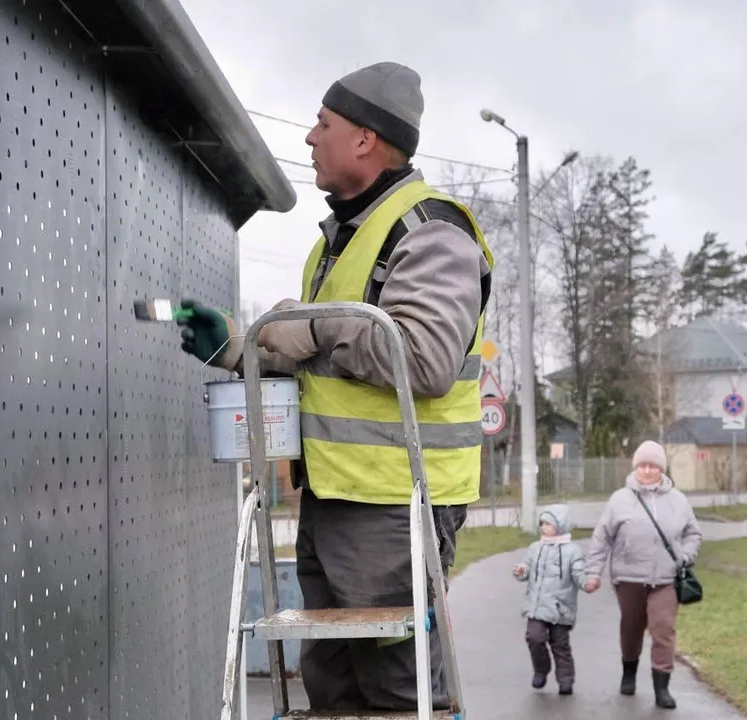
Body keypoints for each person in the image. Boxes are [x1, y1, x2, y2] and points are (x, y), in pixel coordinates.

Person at [177, 61, 494, 712]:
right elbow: (330, 364)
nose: (308, 139)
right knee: (334, 687)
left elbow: (427, 361)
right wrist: (236, 350)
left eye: (323, 124)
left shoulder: (429, 229)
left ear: (366, 139)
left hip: (395, 503)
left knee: (399, 690)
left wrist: (316, 324)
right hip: (335, 495)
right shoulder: (335, 245)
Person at [583, 440, 702, 710]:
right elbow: (601, 538)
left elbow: (693, 533)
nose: (647, 471)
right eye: (642, 465)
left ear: (662, 469)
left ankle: (662, 688)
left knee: (663, 629)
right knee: (631, 627)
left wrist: (685, 556)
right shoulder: (620, 500)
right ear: (635, 466)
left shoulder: (678, 500)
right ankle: (629, 672)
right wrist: (593, 572)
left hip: (666, 578)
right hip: (629, 577)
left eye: (653, 466)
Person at [512, 504, 590, 696]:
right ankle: (541, 669)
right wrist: (520, 571)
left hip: (561, 608)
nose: (543, 527)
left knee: (560, 644)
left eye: (548, 524)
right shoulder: (535, 548)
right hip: (537, 606)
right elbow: (526, 568)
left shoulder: (573, 551)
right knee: (534, 638)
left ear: (561, 525)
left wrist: (587, 583)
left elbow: (579, 573)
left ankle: (565, 680)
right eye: (542, 523)